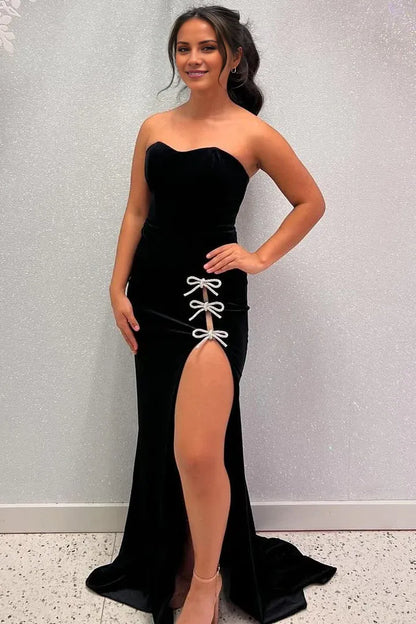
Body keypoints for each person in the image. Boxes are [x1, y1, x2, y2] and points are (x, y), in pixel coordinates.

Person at [85, 5, 337, 624]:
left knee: (199, 451)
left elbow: (310, 201)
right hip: (151, 297)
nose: (193, 59)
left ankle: (207, 578)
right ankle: (173, 554)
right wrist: (116, 287)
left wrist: (259, 256)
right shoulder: (153, 127)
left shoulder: (253, 133)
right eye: (183, 48)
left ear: (234, 57)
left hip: (209, 303)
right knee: (165, 440)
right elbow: (136, 211)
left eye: (207, 47)